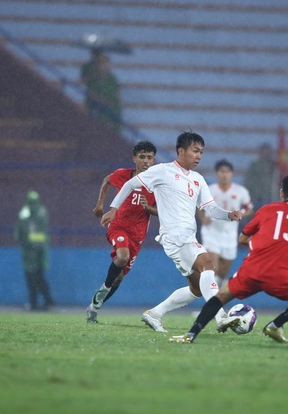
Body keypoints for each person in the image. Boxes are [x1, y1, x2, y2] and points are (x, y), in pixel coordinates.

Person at [101, 131, 242, 333]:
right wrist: (114, 208)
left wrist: (229, 214)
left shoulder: (198, 179)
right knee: (208, 265)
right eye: (195, 151)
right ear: (180, 151)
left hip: (185, 237)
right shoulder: (162, 171)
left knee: (196, 289)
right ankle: (220, 317)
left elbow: (210, 208)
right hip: (176, 236)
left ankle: (154, 314)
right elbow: (131, 184)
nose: (199, 156)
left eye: (201, 152)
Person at [170, 173, 288, 343]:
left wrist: (260, 244)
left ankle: (190, 335)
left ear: (282, 193)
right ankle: (276, 325)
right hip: (282, 276)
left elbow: (242, 239)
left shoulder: (267, 209)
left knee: (220, 296)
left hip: (251, 271)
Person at [86, 141, 158, 323]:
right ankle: (100, 294)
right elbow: (106, 180)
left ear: (154, 160)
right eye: (142, 157)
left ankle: (95, 305)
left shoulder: (158, 184)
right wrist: (100, 205)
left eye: (149, 157)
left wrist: (148, 208)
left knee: (118, 278)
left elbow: (162, 212)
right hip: (118, 226)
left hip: (138, 236)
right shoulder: (122, 175)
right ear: (134, 158)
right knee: (123, 256)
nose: (146, 161)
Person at [198, 159, 253, 288]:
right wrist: (202, 218)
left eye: (227, 172)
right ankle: (210, 303)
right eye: (222, 171)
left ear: (232, 174)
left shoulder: (240, 191)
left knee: (223, 272)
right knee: (213, 268)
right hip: (211, 232)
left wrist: (241, 213)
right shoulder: (209, 190)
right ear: (216, 173)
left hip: (229, 235)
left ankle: (216, 299)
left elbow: (249, 209)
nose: (224, 174)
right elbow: (198, 207)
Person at [14, 190, 54, 311]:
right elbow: (20, 232)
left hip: (37, 253)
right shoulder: (28, 213)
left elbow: (22, 233)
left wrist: (27, 241)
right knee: (33, 278)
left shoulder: (37, 213)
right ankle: (36, 303)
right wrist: (26, 241)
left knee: (37, 278)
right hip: (30, 252)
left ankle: (45, 302)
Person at [80, 48, 122, 133]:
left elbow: (117, 95)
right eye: (101, 63)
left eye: (105, 63)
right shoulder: (93, 80)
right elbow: (90, 95)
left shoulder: (112, 79)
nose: (103, 65)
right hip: (98, 114)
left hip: (111, 112)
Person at [243, 143, 279, 209]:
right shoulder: (254, 165)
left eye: (266, 151)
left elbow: (277, 182)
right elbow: (248, 180)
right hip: (256, 197)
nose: (265, 153)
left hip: (269, 197)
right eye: (263, 151)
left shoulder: (274, 165)